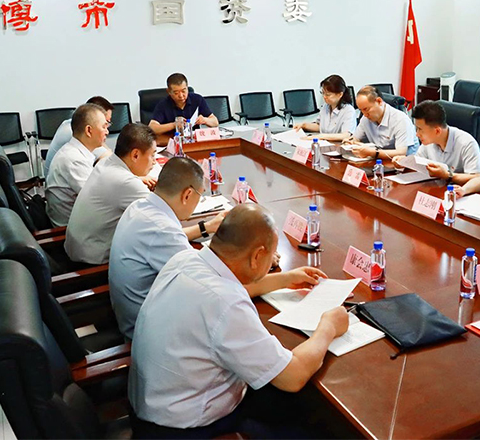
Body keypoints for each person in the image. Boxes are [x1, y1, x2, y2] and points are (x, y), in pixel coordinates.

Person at [129, 204, 349, 438]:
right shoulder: (226, 304)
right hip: (183, 429)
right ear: (257, 256)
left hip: (153, 406)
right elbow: (293, 376)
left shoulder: (185, 259)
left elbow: (232, 287)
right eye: (271, 255)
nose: (272, 261)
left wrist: (285, 279)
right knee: (312, 423)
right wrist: (328, 326)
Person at [109, 156, 227, 340]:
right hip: (149, 333)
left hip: (131, 314)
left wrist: (207, 227)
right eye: (200, 195)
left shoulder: (139, 206)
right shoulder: (163, 230)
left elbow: (168, 238)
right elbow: (210, 285)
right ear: (187, 195)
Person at [65, 123, 157, 265]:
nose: (154, 162)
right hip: (92, 264)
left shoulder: (105, 163)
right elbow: (162, 216)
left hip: (78, 250)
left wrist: (138, 180)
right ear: (135, 155)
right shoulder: (126, 182)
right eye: (153, 155)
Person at [45, 103, 109, 226]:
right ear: (89, 131)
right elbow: (100, 200)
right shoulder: (74, 160)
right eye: (104, 127)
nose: (107, 132)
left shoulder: (76, 151)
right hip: (71, 229)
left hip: (79, 221)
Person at [391, 100, 480, 184]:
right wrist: (404, 163)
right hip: (440, 189)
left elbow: (477, 178)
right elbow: (418, 164)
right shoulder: (428, 141)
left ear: (437, 131)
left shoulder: (467, 143)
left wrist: (447, 175)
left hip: (465, 194)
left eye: (420, 129)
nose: (417, 134)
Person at [43, 96, 114, 177]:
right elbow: (107, 158)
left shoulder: (75, 124)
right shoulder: (72, 131)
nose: (107, 130)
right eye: (105, 123)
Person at [343, 85, 419, 159]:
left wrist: (373, 152)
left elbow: (401, 152)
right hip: (380, 161)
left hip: (406, 164)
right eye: (361, 110)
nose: (365, 114)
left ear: (379, 101)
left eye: (366, 109)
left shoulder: (400, 119)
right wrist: (351, 141)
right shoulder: (366, 118)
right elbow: (356, 138)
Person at [148, 73, 218, 135]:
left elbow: (215, 122)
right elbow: (152, 128)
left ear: (187, 88)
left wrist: (205, 120)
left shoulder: (197, 99)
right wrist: (174, 125)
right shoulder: (163, 105)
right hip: (171, 140)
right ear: (169, 91)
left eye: (183, 91)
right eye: (176, 93)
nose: (181, 96)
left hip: (193, 140)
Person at [294, 75, 357, 141]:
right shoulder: (326, 106)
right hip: (324, 143)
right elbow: (320, 126)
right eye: (323, 93)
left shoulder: (348, 110)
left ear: (340, 94)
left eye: (328, 94)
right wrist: (304, 125)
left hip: (338, 145)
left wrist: (321, 136)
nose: (324, 97)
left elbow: (346, 135)